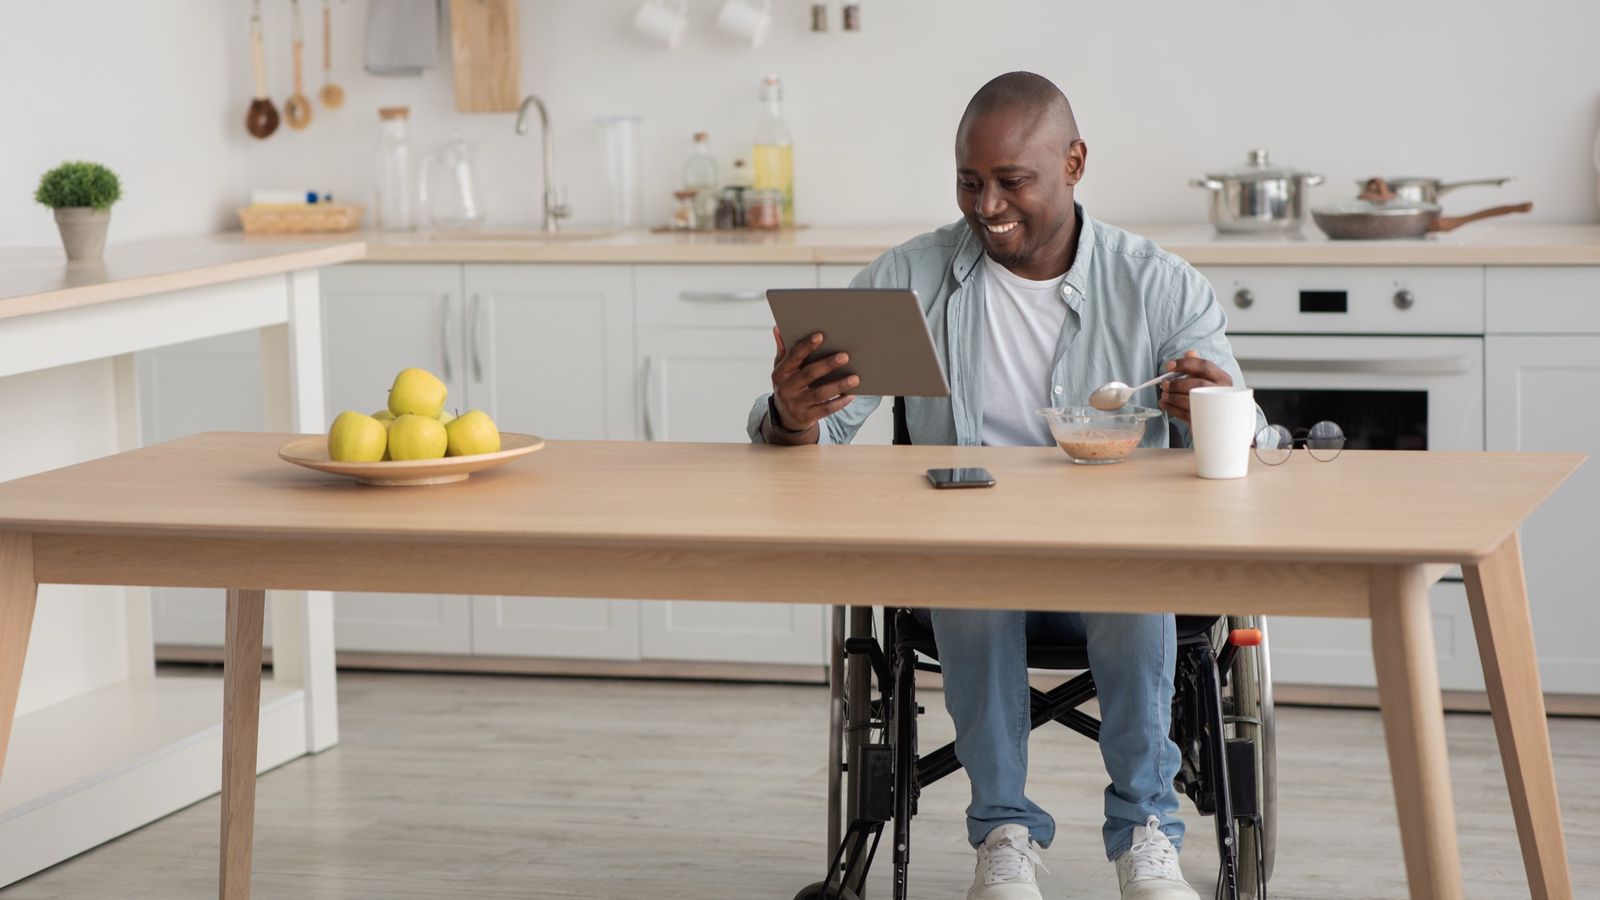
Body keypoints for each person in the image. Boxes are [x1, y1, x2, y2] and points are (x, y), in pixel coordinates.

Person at [747, 72, 1250, 900]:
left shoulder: (1157, 285)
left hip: (1114, 562)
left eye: (1012, 180)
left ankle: (1147, 832)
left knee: (1134, 573)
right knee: (967, 569)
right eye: (969, 182)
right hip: (973, 564)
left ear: (1075, 163)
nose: (987, 205)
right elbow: (808, 438)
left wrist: (1211, 409)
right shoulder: (911, 278)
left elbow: (1250, 440)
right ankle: (1004, 835)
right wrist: (791, 411)